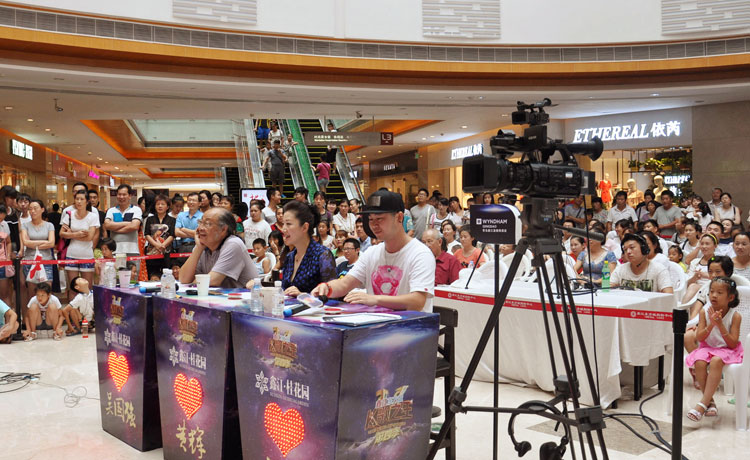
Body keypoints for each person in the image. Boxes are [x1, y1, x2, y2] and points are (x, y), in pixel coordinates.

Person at [311, 189, 436, 312]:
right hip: (377, 323)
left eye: (380, 219)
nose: (374, 225)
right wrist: (327, 287)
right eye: (371, 219)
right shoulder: (372, 253)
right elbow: (345, 284)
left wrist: (374, 299)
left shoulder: (420, 254)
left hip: (411, 324)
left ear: (399, 217)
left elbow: (417, 301)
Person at [685, 277, 743, 422]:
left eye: (719, 292)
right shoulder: (704, 312)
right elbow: (700, 337)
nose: (714, 295)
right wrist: (711, 324)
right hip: (707, 347)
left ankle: (701, 405)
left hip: (727, 349)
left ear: (730, 297)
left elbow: (732, 343)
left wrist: (720, 325)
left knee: (716, 361)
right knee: (699, 361)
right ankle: (710, 402)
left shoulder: (735, 316)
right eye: (711, 292)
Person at [179, 207, 259, 288]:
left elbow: (213, 280)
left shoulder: (233, 244)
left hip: (246, 295)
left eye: (207, 224)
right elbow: (183, 279)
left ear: (223, 229)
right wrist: (198, 249)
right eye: (200, 222)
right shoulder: (202, 246)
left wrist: (192, 284)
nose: (201, 228)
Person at [279, 200, 336, 296]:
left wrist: (302, 295)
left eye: (288, 224)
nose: (283, 229)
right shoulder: (290, 257)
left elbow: (332, 296)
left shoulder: (323, 255)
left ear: (305, 227)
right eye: (283, 224)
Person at [685, 256, 734, 353]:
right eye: (710, 272)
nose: (713, 275)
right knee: (687, 336)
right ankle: (699, 360)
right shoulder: (707, 286)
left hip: (725, 326)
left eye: (718, 272)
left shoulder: (733, 289)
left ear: (727, 272)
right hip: (707, 324)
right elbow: (698, 306)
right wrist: (693, 323)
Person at [60, 190, 99, 300]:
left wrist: (70, 234)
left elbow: (89, 237)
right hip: (71, 254)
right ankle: (73, 311)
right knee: (73, 288)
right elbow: (61, 233)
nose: (79, 201)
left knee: (87, 288)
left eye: (82, 199)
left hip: (87, 255)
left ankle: (87, 310)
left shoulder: (92, 216)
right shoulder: (69, 215)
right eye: (77, 199)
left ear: (87, 201)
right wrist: (76, 234)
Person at [21, 200, 55, 302]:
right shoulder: (25, 225)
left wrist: (33, 243)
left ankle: (47, 312)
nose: (32, 211)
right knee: (32, 294)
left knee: (46, 292)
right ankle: (33, 312)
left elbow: (51, 243)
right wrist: (44, 242)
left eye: (35, 208)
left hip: (46, 260)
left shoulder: (49, 225)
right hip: (30, 260)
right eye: (30, 209)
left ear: (42, 209)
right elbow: (25, 242)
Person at [103, 185, 143, 273]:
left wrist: (115, 228)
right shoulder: (111, 210)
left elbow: (135, 226)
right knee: (118, 277)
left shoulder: (136, 210)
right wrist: (128, 223)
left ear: (130, 196)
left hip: (132, 250)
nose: (121, 197)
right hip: (116, 251)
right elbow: (107, 225)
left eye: (124, 194)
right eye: (119, 194)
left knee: (133, 277)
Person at [144, 194, 176, 279]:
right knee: (152, 274)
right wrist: (156, 245)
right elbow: (147, 234)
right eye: (158, 204)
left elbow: (172, 235)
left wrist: (163, 245)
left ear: (167, 206)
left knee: (167, 274)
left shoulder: (172, 220)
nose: (160, 206)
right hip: (152, 251)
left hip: (166, 251)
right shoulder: (150, 219)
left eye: (162, 204)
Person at [684, 233, 719, 302]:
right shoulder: (695, 262)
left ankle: (683, 306)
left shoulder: (718, 262)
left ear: (715, 246)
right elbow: (688, 284)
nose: (704, 246)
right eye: (702, 244)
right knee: (692, 286)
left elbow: (721, 280)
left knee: (693, 287)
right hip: (693, 290)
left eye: (707, 244)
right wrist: (695, 277)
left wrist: (705, 275)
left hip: (711, 290)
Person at [0, 205, 13, 309]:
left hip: (2, 263)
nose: (1, 220)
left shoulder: (4, 225)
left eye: (2, 218)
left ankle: (7, 317)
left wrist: (8, 257)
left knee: (4, 293)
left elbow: (8, 242)